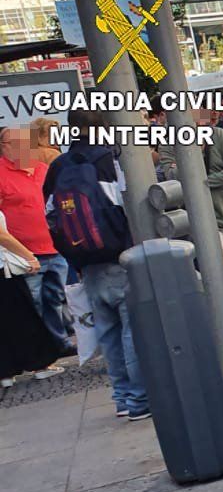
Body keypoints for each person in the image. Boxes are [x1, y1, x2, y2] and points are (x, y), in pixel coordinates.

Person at [42, 110, 149, 420]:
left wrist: (73, 252)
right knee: (132, 330)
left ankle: (122, 399)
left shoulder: (58, 166)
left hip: (85, 263)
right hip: (120, 256)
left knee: (107, 331)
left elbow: (50, 215)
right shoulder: (109, 159)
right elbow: (126, 202)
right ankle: (140, 400)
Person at [160, 106, 223, 328]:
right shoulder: (169, 143)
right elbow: (171, 175)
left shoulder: (218, 135)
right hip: (202, 218)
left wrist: (201, 182)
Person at [0, 126, 73, 363]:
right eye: (18, 143)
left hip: (54, 245)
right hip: (24, 252)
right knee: (35, 303)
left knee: (55, 298)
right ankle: (45, 351)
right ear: (4, 147)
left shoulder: (43, 169)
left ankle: (59, 343)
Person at [0, 190, 62, 387]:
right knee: (24, 317)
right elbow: (2, 236)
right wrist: (28, 256)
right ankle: (40, 363)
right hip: (3, 270)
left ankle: (5, 372)